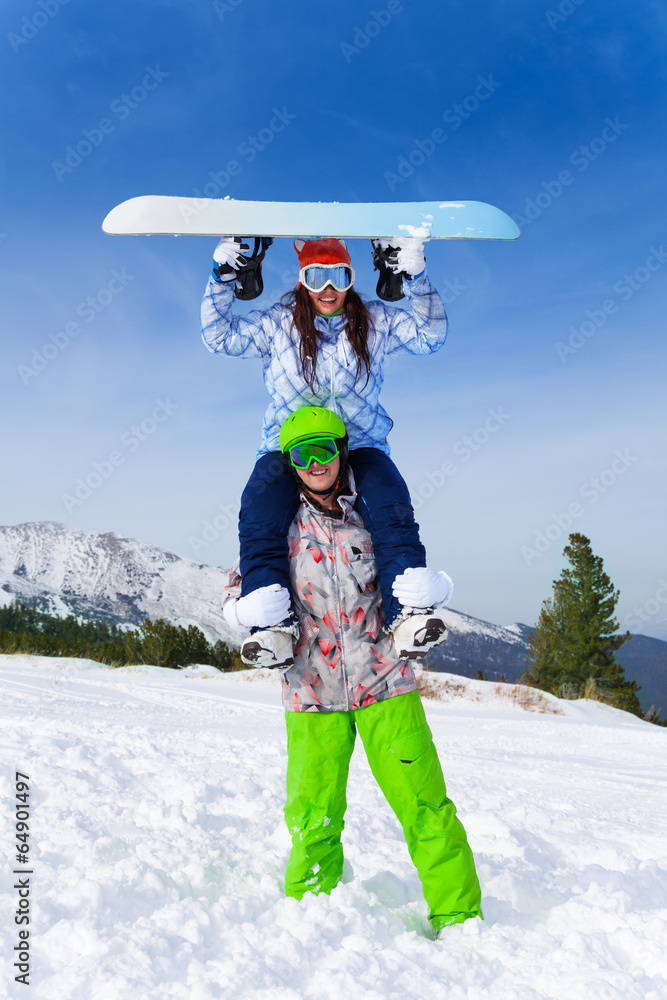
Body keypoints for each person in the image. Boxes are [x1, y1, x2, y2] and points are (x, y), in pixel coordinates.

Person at [222, 406, 482, 937]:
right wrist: (241, 611)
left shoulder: (371, 515)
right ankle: (310, 916)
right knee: (312, 813)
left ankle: (458, 917)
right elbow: (241, 590)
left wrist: (440, 588)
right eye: (303, 453)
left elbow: (412, 574)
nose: (316, 463)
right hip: (310, 692)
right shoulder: (277, 529)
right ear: (290, 463)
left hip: (386, 683)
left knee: (425, 805)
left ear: (343, 452)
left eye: (326, 450)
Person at [201, 234, 450, 665]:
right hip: (289, 445)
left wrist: (417, 278)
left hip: (359, 443)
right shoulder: (280, 323)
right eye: (316, 276)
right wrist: (221, 279)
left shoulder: (373, 321)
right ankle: (273, 625)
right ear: (302, 281)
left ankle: (407, 610)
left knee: (391, 506)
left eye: (339, 275)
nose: (328, 288)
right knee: (260, 511)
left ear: (352, 279)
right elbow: (218, 337)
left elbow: (431, 337)